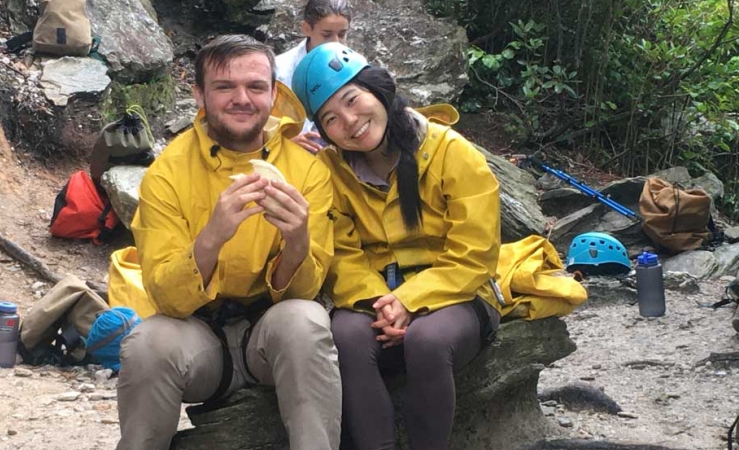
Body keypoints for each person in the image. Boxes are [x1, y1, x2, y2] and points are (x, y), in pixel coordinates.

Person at [116, 35, 341, 450]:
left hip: (268, 339)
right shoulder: (167, 173)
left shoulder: (306, 172)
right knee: (147, 343)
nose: (242, 98)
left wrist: (296, 241)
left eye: (256, 87)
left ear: (274, 94)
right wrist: (213, 235)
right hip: (198, 340)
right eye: (224, 87)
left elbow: (306, 293)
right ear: (200, 94)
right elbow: (167, 298)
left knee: (305, 320)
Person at [292, 42, 503, 450]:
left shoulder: (450, 152)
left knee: (428, 340)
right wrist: (384, 304)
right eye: (331, 118)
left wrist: (410, 300)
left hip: (459, 297)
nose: (350, 122)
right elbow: (341, 257)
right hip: (375, 300)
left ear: (378, 88)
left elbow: (474, 254)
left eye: (353, 100)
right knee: (345, 335)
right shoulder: (329, 172)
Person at [276, 0, 351, 154]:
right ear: (306, 29)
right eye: (327, 35)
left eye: (342, 34)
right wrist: (283, 143)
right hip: (290, 156)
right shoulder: (279, 69)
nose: (336, 42)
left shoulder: (355, 66)